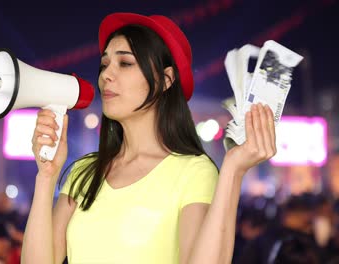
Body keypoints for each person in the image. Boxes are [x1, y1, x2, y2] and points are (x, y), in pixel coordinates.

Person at [21, 12, 277, 264]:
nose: (106, 75)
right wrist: (46, 177)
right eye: (104, 64)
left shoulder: (193, 172)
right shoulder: (83, 172)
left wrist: (232, 171)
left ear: (166, 80)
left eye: (125, 63)